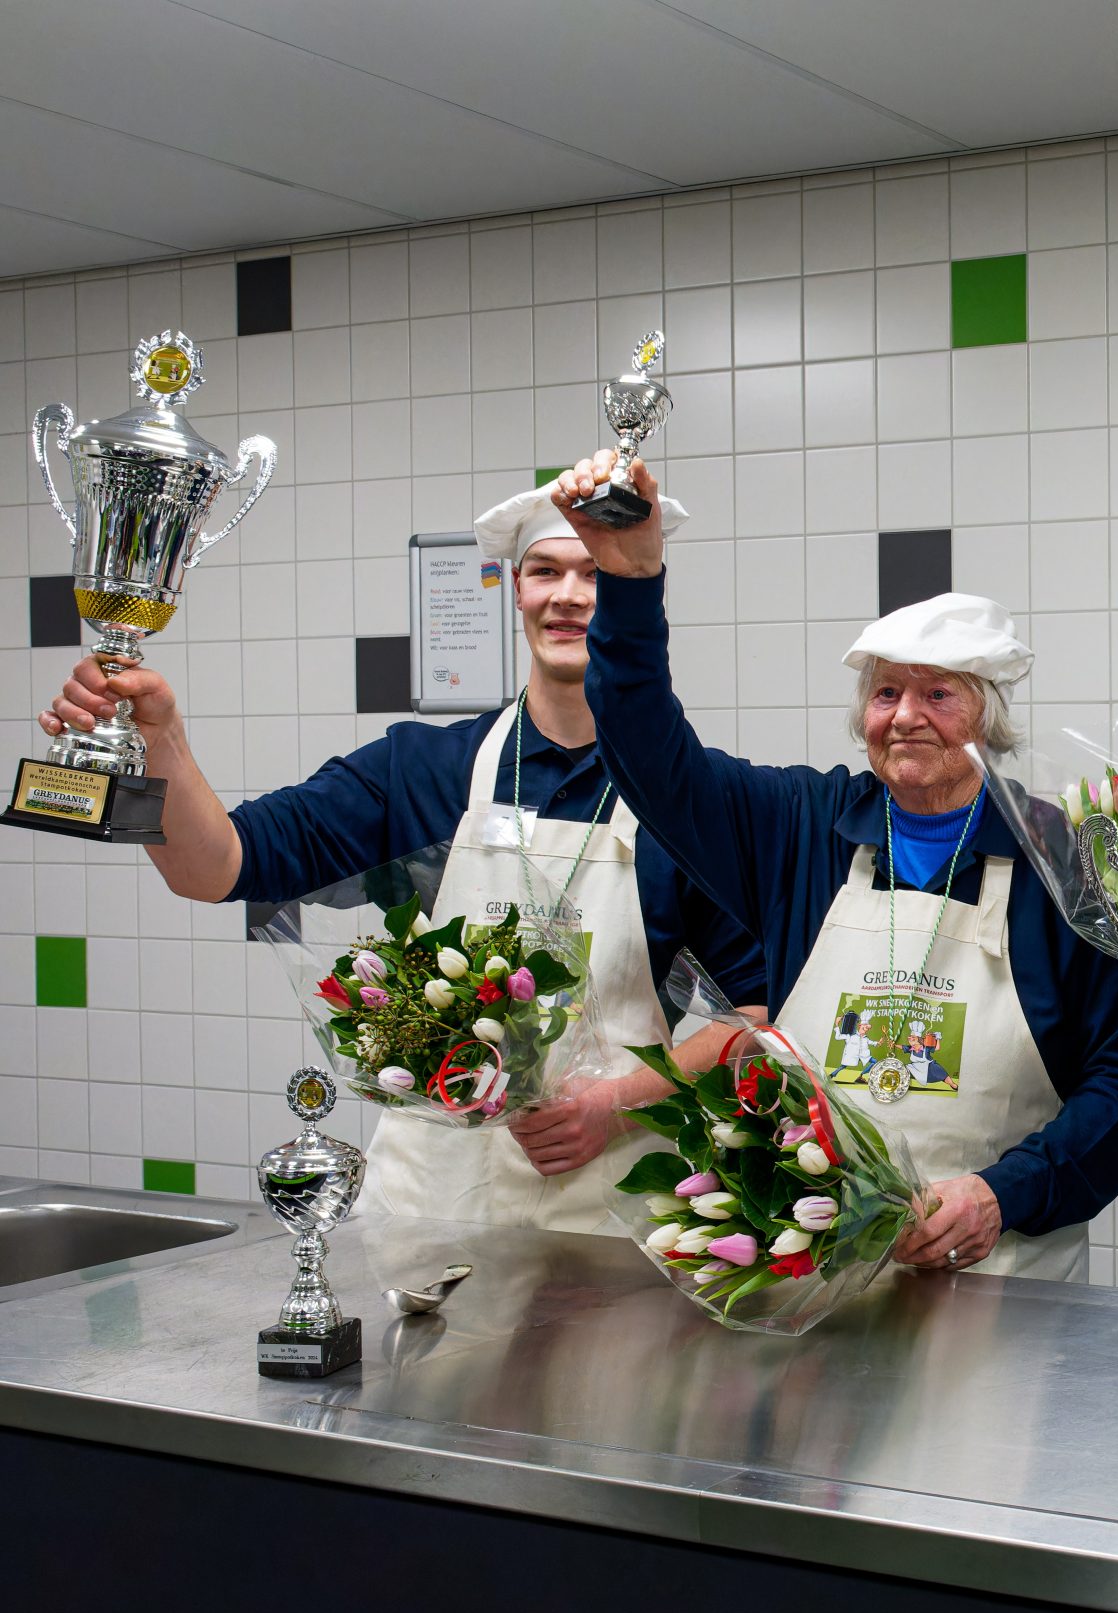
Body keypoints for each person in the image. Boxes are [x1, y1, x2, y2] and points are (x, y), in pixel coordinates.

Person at [38, 485, 768, 1234]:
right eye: (545, 571)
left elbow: (755, 1017)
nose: (569, 596)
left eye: (596, 574)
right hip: (433, 1213)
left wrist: (615, 1104)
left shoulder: (692, 798)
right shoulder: (419, 769)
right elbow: (215, 866)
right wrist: (160, 739)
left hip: (607, 1216)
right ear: (516, 589)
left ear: (634, 595)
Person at [559, 449, 1118, 1278]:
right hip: (815, 1278)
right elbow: (653, 758)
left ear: (988, 717)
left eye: (938, 694)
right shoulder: (801, 827)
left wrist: (1001, 1194)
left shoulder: (1066, 858)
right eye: (885, 693)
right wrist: (630, 583)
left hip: (1005, 1286)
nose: (905, 716)